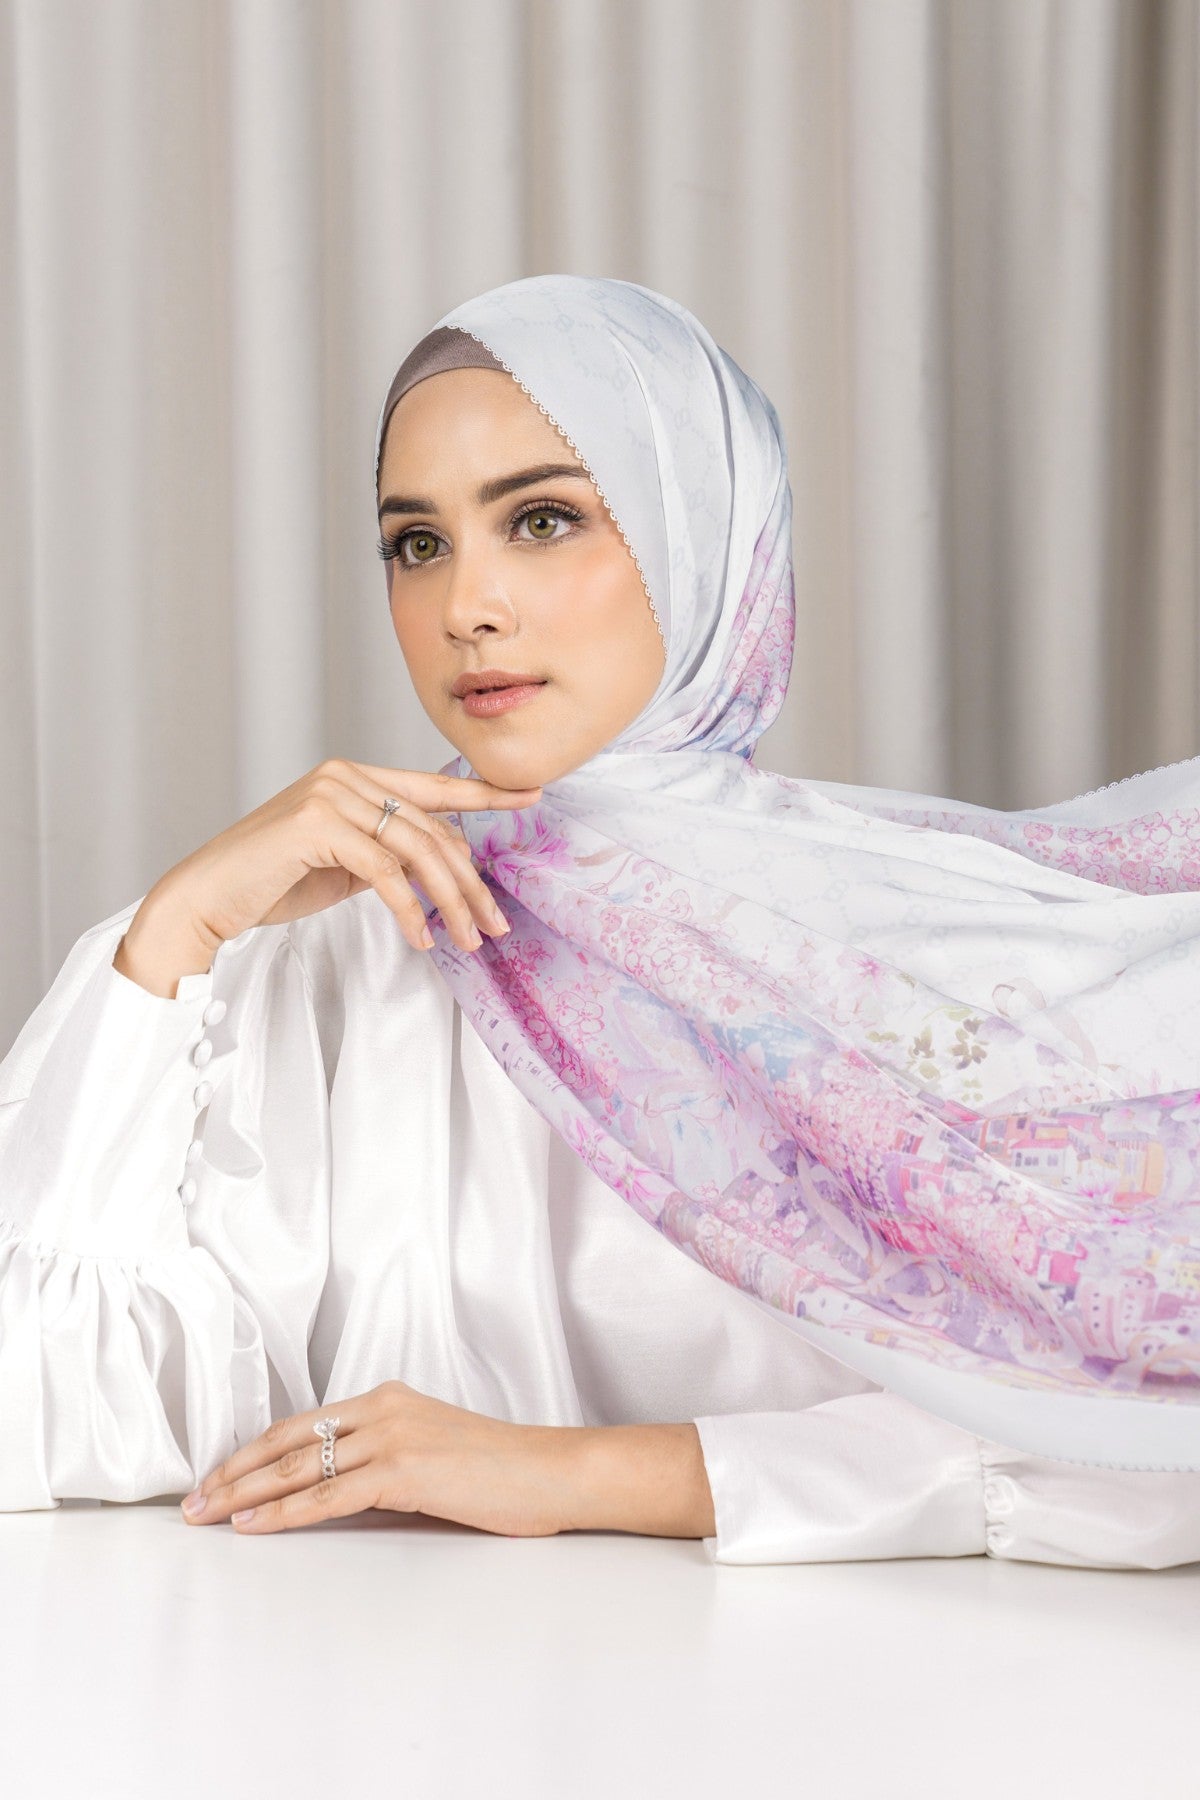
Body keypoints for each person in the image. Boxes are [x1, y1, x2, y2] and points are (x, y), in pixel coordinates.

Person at [2, 274, 1199, 1570]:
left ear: (707, 538)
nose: (467, 608)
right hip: (348, 1673)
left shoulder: (932, 960)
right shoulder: (313, 963)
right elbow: (49, 1407)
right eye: (417, 543)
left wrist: (584, 1473)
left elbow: (1147, 1441)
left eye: (542, 520)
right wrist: (171, 935)